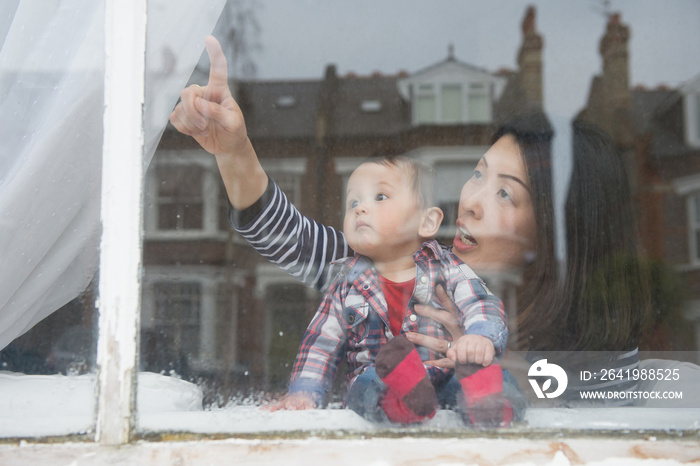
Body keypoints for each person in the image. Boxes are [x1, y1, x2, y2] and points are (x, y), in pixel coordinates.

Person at [170, 37, 650, 411]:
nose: (470, 202)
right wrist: (233, 149)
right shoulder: (402, 265)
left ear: (560, 227)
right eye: (477, 174)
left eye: (505, 193)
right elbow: (288, 237)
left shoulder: (605, 353)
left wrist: (486, 363)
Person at [267, 155, 509, 424]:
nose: (360, 209)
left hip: (445, 373)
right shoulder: (346, 283)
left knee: (485, 376)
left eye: (380, 197)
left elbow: (480, 301)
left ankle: (489, 403)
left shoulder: (446, 265)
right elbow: (320, 343)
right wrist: (305, 393)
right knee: (366, 388)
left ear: (426, 222)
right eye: (353, 202)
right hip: (379, 378)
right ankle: (403, 402)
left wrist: (480, 337)